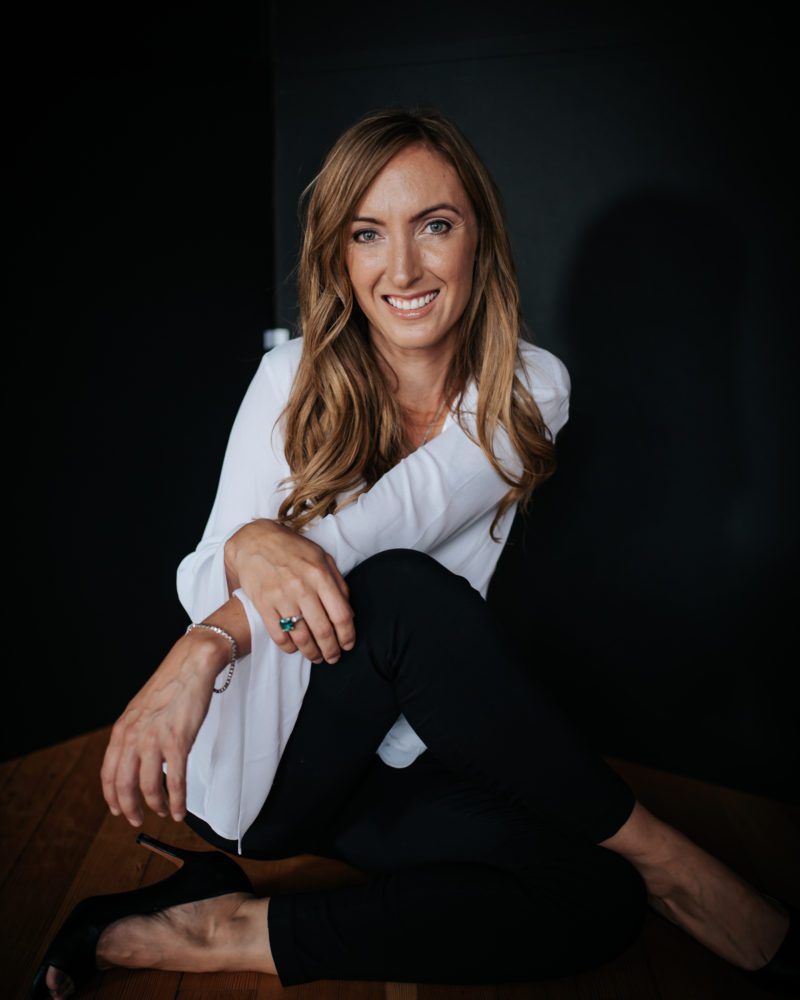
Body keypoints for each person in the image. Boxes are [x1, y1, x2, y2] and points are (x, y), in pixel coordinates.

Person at [34, 107, 797, 999]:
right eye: (369, 234)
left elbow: (387, 523)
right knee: (397, 594)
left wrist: (235, 598)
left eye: (434, 226)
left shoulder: (528, 390)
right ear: (341, 257)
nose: (403, 269)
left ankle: (229, 928)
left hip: (393, 754)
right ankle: (674, 862)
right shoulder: (291, 379)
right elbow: (203, 572)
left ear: (479, 237)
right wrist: (240, 556)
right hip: (263, 769)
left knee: (595, 901)